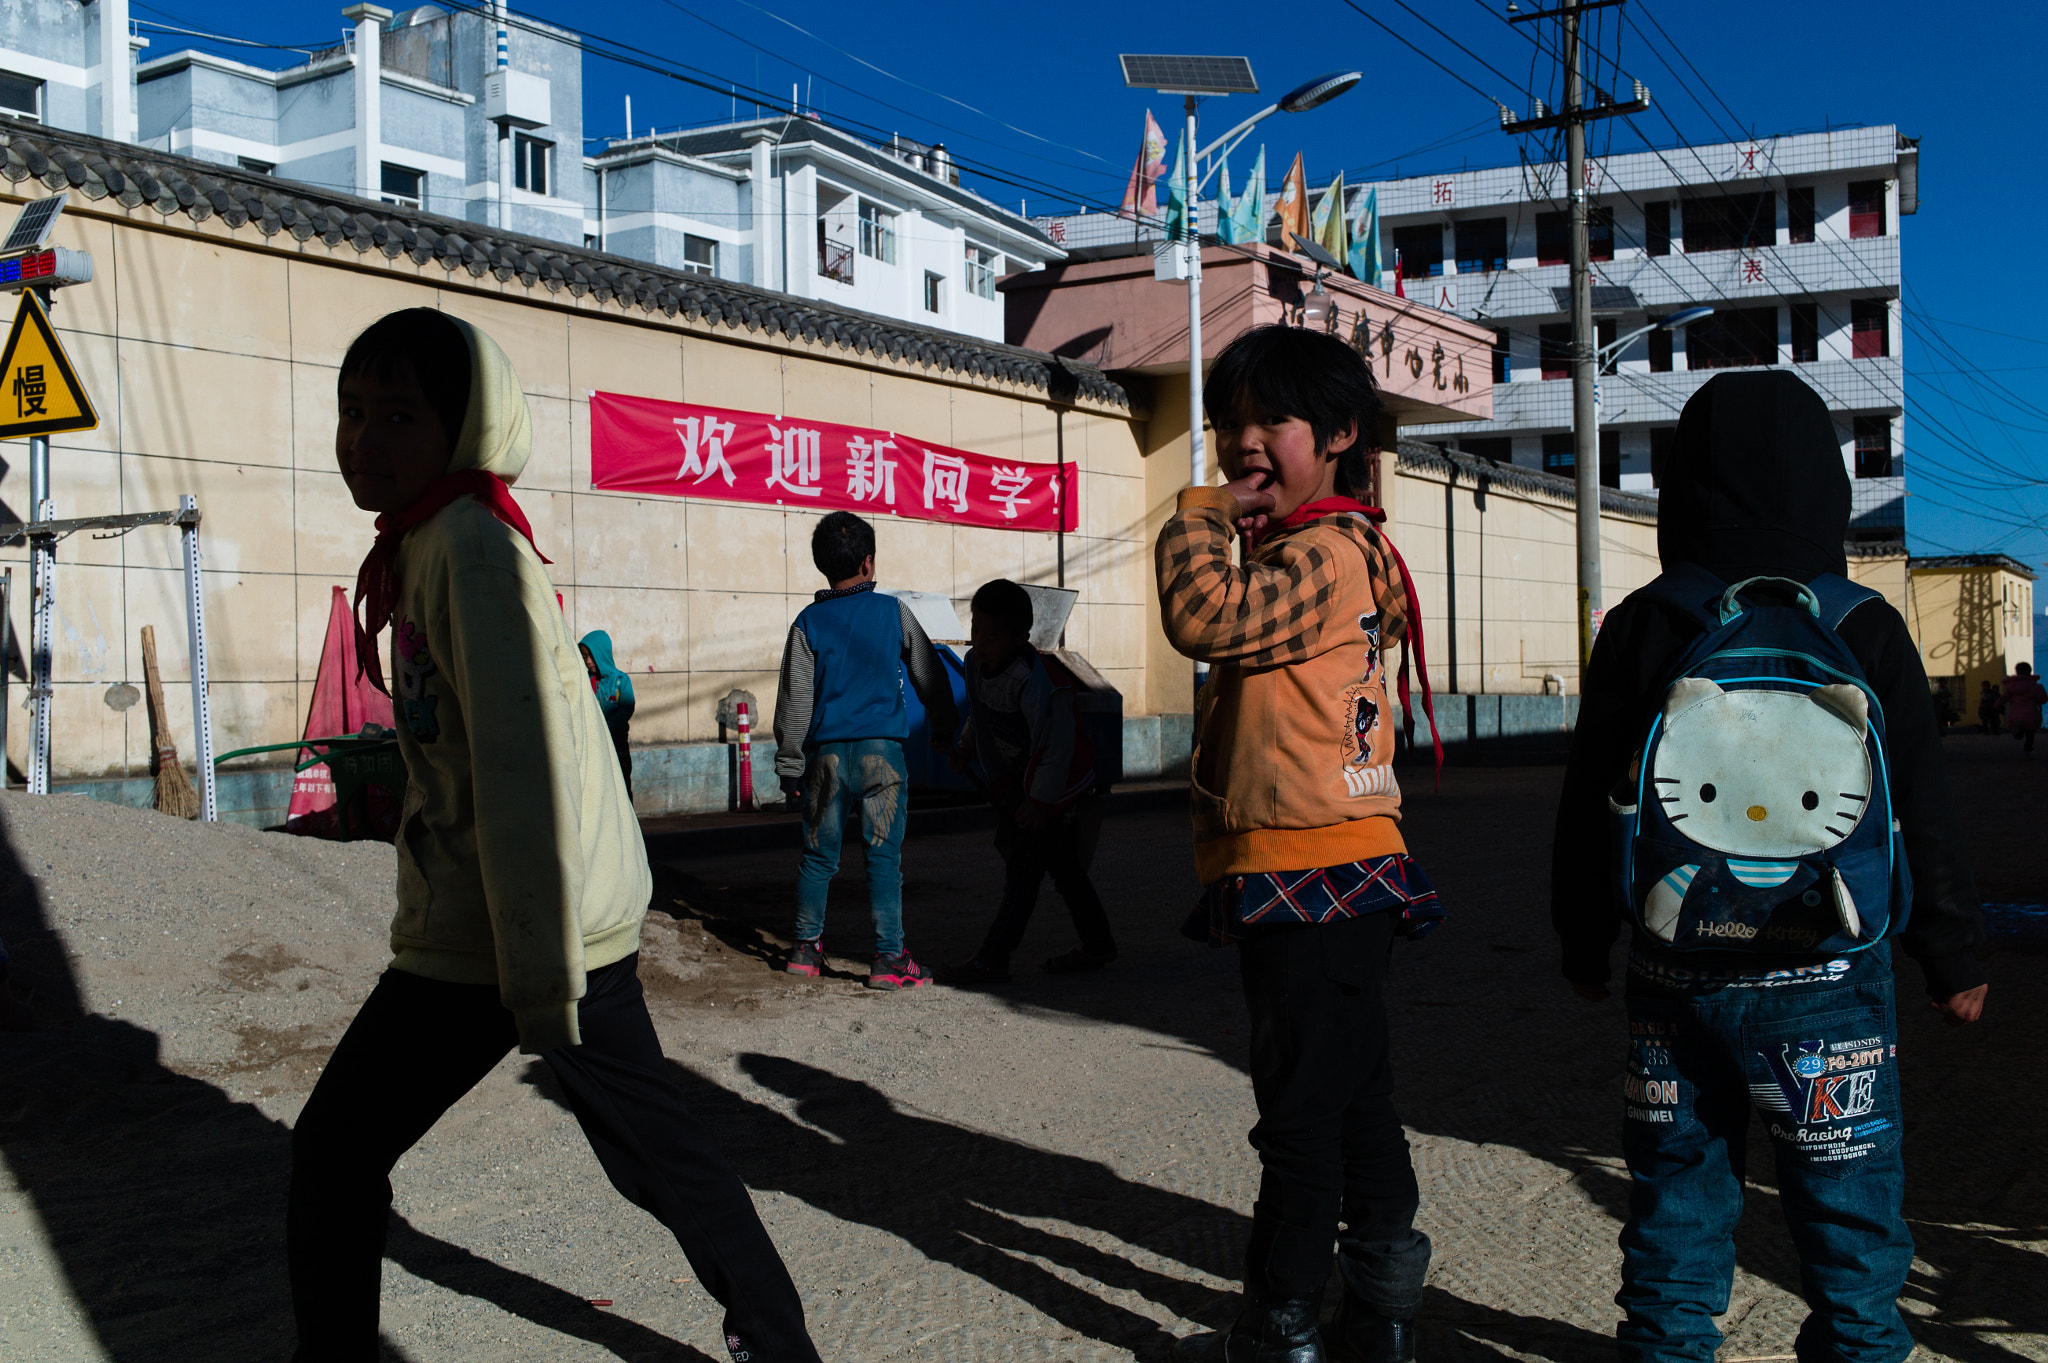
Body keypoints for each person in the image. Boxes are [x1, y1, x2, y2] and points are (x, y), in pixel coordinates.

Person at [289, 308, 820, 1363]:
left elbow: (519, 771)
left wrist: (539, 978)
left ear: (468, 428)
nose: (364, 439)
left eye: (398, 414)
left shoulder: (467, 552)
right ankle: (777, 1341)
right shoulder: (434, 541)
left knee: (337, 1151)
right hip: (518, 920)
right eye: (351, 412)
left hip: (519, 931)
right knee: (651, 1151)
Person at [1551, 371, 1988, 1363]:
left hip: (1673, 976)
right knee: (1848, 1213)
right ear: (1824, 491)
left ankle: (1665, 1349)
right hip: (1830, 981)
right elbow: (1918, 803)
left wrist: (1581, 937)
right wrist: (1951, 953)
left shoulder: (1643, 621)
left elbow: (1588, 801)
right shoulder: (1862, 624)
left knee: (1674, 1200)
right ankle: (1858, 1348)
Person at [1155, 326, 1443, 1363]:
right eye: (1229, 421)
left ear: (1335, 435)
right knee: (1354, 1094)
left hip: (1304, 861)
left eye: (1267, 419)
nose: (1240, 442)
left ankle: (1278, 1327)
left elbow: (1202, 614)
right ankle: (1382, 1309)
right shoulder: (1345, 544)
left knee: (1298, 1113)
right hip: (1341, 858)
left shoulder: (1318, 553)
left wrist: (1195, 515)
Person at [773, 510, 959, 990]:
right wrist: (943, 727)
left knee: (818, 857)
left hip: (826, 759)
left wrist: (790, 765)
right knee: (883, 858)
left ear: (822, 565)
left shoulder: (807, 622)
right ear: (869, 563)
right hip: (883, 758)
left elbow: (795, 699)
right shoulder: (892, 612)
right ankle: (889, 958)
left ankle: (805, 950)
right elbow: (929, 674)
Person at [944, 578, 1116, 983]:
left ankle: (994, 956)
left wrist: (1040, 805)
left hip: (1054, 792)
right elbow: (981, 716)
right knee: (1065, 871)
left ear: (1021, 637)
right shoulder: (975, 666)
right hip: (1024, 789)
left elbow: (1057, 750)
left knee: (1025, 874)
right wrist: (967, 747)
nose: (980, 644)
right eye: (975, 632)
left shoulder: (1037, 682)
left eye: (992, 636)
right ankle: (1099, 945)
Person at [580, 629, 636, 796]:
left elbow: (627, 708)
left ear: (602, 654)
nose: (588, 661)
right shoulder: (585, 681)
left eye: (591, 656)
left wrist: (605, 725)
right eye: (584, 657)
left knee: (622, 790)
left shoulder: (620, 680)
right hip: (594, 748)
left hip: (617, 746)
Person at [2004, 661, 2045, 755]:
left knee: (2019, 733)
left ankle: (2017, 732)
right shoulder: (2035, 686)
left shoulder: (2011, 686)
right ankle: (2028, 749)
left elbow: (2004, 698)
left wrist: (1996, 706)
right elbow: (2043, 699)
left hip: (2015, 714)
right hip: (2031, 714)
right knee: (2030, 733)